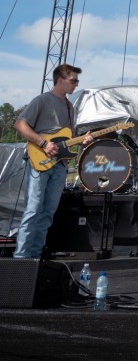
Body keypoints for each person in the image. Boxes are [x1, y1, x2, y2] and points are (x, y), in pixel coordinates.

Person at [13, 63, 92, 260]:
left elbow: (65, 140)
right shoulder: (42, 100)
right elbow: (20, 124)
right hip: (38, 161)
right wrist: (43, 143)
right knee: (33, 210)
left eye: (77, 81)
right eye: (73, 80)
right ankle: (21, 259)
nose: (76, 84)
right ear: (60, 80)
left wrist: (81, 140)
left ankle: (35, 257)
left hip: (59, 164)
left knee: (48, 212)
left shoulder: (69, 107)